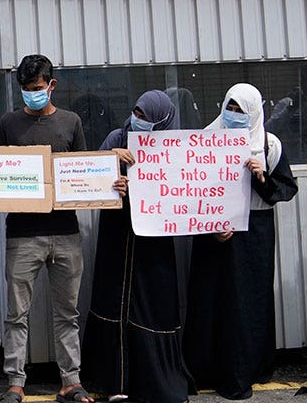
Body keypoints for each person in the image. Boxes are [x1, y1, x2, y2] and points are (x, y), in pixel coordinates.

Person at [183, 83, 297, 399]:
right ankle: (205, 370)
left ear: (254, 112)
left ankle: (242, 370)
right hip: (214, 235)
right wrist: (212, 223)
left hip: (254, 235)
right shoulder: (206, 138)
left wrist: (261, 176)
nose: (233, 115)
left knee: (246, 303)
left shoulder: (268, 144)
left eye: (241, 110)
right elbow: (193, 190)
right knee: (211, 300)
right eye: (229, 108)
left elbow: (285, 190)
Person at [81, 90, 190, 403]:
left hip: (154, 238)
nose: (138, 121)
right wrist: (114, 170)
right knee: (112, 296)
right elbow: (92, 178)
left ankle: (152, 382)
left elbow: (180, 189)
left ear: (163, 121)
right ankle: (109, 380)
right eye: (137, 113)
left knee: (151, 299)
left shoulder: (173, 146)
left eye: (147, 117)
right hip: (117, 232)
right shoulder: (117, 136)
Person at [0, 55, 90, 403]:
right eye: (25, 89)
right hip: (22, 232)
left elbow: (82, 171)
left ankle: (71, 381)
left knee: (68, 312)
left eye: (36, 88)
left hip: (66, 231)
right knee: (16, 313)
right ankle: (15, 383)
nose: (30, 94)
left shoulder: (72, 122)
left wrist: (104, 182)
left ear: (52, 85)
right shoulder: (9, 123)